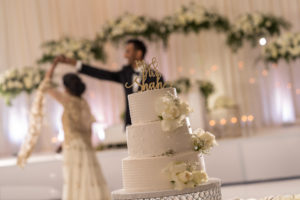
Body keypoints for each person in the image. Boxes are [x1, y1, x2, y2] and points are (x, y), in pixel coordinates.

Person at [54, 39, 164, 126]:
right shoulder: (125, 73)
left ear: (139, 53)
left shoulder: (156, 77)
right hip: (130, 125)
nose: (125, 55)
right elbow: (102, 74)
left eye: (128, 51)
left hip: (151, 124)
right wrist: (75, 63)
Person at [44, 61, 111, 200]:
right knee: (89, 181)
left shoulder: (67, 100)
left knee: (75, 182)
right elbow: (88, 129)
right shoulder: (83, 103)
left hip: (73, 148)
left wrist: (54, 65)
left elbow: (45, 85)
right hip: (85, 147)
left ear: (66, 87)